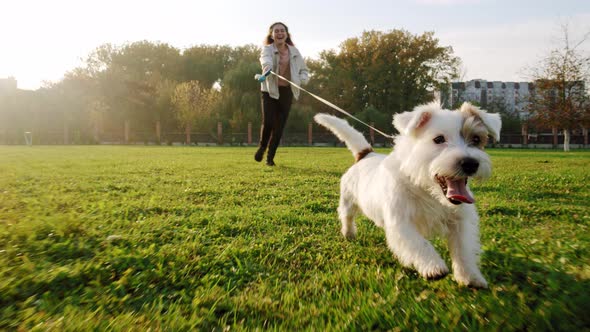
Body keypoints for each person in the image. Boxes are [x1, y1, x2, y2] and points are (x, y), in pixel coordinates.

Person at [254, 22, 309, 166]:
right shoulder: (267, 49)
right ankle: (262, 147)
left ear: (286, 34)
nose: (279, 33)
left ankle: (270, 158)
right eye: (276, 31)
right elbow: (265, 61)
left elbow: (304, 70)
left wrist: (302, 79)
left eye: (282, 31)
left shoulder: (294, 52)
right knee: (269, 122)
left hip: (286, 92)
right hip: (269, 91)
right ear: (271, 35)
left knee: (279, 127)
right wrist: (267, 70)